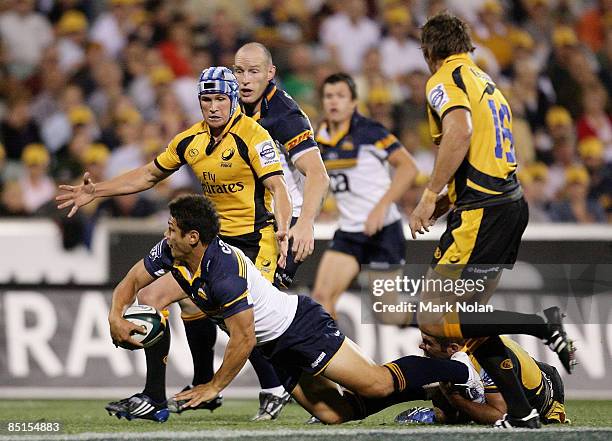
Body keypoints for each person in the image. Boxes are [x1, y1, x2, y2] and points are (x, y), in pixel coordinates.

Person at [106, 194, 482, 424]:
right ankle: (432, 390)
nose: (166, 234)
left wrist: (213, 386)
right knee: (336, 415)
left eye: (172, 229)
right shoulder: (172, 252)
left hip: (299, 328)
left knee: (376, 383)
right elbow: (131, 281)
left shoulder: (223, 273)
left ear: (193, 237)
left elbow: (244, 338)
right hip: (275, 346)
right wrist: (115, 315)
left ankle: (457, 369)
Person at [57, 67, 292, 420]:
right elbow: (150, 174)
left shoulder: (253, 136)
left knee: (243, 323)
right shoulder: (190, 140)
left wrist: (286, 231)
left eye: (220, 99)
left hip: (255, 243)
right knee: (154, 297)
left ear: (233, 100)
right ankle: (158, 396)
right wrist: (98, 190)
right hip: (208, 242)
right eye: (206, 99)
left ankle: (275, 388)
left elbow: (278, 188)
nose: (213, 107)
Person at [408, 12, 575, 429]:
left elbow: (460, 132)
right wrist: (451, 195)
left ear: (430, 51)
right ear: (467, 46)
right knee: (470, 321)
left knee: (432, 318)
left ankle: (541, 324)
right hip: (508, 202)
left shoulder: (444, 79)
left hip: (483, 209)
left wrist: (430, 194)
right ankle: (523, 411)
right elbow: (484, 147)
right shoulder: (487, 82)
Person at [233, 42, 330, 420]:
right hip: (248, 226)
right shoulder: (231, 103)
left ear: (270, 73)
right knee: (228, 306)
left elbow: (318, 175)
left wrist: (304, 225)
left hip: (283, 228)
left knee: (252, 311)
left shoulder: (285, 115)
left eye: (254, 71)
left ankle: (289, 387)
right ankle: (303, 387)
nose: (244, 80)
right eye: (239, 71)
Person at [311, 73, 418, 319]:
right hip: (350, 232)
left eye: (340, 96)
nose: (333, 102)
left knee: (388, 313)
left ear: (353, 103)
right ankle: (334, 357)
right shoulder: (318, 137)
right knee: (321, 298)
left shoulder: (369, 132)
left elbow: (408, 167)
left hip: (383, 230)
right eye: (328, 96)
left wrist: (380, 208)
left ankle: (440, 326)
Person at [396, 332, 568, 425]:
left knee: (451, 391)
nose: (421, 346)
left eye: (427, 342)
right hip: (536, 374)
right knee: (445, 385)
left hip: (544, 399)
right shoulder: (469, 343)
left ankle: (441, 416)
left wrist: (455, 400)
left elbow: (500, 415)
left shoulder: (484, 358)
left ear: (453, 348)